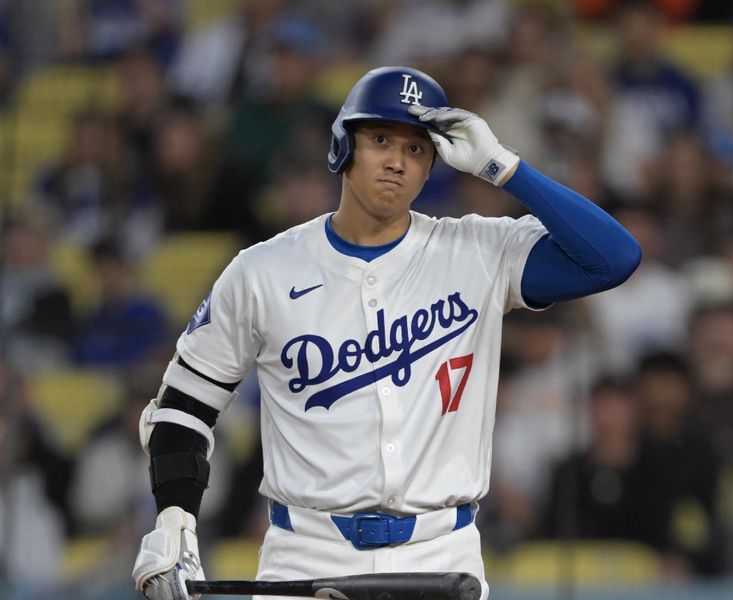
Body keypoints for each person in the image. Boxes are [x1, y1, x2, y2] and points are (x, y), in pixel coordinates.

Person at [131, 66, 641, 600]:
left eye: (417, 149)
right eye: (379, 140)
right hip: (305, 553)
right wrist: (173, 520)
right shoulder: (262, 271)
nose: (397, 161)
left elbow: (614, 258)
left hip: (441, 553)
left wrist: (503, 167)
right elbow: (184, 405)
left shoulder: (479, 252)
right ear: (342, 147)